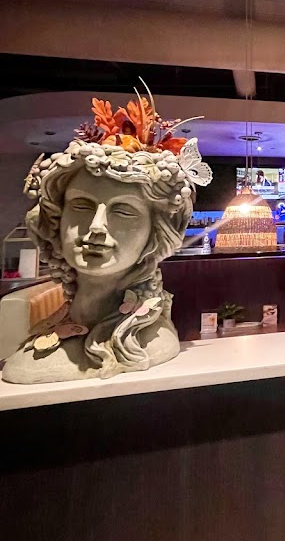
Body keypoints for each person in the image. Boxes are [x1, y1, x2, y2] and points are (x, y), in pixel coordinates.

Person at [2, 92, 210, 383]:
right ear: (56, 220)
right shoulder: (42, 341)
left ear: (155, 233)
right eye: (81, 206)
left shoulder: (153, 339)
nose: (97, 226)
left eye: (123, 211)